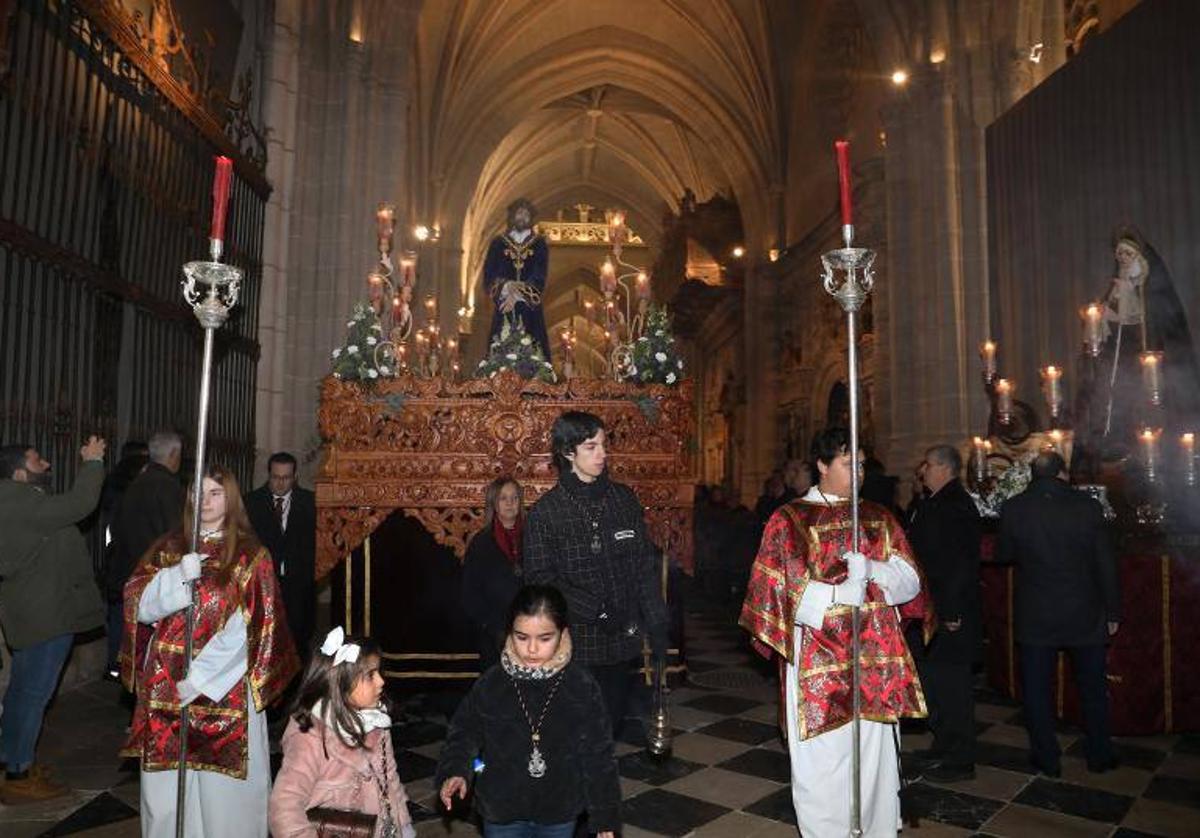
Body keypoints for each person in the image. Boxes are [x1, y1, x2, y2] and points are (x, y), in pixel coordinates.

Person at [740, 427, 933, 837]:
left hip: (874, 658)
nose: (859, 472)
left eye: (862, 464)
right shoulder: (790, 519)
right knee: (824, 763)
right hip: (818, 660)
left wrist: (876, 571)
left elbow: (912, 581)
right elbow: (775, 587)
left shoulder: (879, 517)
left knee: (875, 759)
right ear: (822, 466)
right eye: (849, 463)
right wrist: (835, 594)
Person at [121, 464, 299, 837]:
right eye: (197, 493)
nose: (205, 501)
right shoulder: (170, 548)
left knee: (224, 800)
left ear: (230, 498)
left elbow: (254, 627)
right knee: (170, 794)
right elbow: (140, 606)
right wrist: (175, 577)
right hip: (167, 688)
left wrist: (201, 678)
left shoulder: (251, 556)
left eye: (215, 493)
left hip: (225, 691)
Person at [523, 411, 669, 736]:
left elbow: (642, 565)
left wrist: (657, 619)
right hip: (574, 646)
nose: (602, 454)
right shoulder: (546, 513)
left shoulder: (624, 500)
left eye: (603, 445)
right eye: (591, 447)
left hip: (623, 641)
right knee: (575, 731)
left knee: (609, 726)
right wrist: (596, 611)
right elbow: (540, 580)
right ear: (567, 453)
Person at [436, 585, 621, 838]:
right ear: (509, 633)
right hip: (501, 809)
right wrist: (456, 771)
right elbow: (464, 734)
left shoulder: (580, 686)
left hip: (558, 810)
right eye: (521, 637)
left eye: (545, 638)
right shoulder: (492, 684)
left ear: (563, 633)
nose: (532, 649)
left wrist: (604, 816)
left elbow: (598, 755)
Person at [999, 451, 1120, 776]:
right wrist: (1113, 610)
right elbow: (1105, 563)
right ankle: (1100, 755)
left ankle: (1046, 758)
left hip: (1037, 612)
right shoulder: (1088, 506)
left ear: (1032, 476)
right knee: (1093, 687)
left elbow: (1005, 554)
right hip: (1084, 611)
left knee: (1037, 690)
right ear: (1063, 473)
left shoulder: (1014, 508)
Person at [0, 437, 107, 803]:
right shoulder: (20, 501)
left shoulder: (17, 502)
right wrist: (92, 462)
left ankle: (13, 760)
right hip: (44, 615)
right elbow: (81, 503)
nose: (46, 464)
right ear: (18, 473)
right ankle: (17, 775)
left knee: (22, 692)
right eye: (37, 460)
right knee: (33, 695)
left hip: (33, 610)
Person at [269, 627, 415, 838]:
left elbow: (390, 779)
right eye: (370, 675)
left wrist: (404, 827)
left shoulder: (376, 722)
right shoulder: (310, 734)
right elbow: (285, 805)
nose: (381, 681)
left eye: (379, 673)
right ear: (340, 682)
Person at [907, 445, 982, 782]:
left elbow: (958, 564)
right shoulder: (937, 502)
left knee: (952, 685)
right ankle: (943, 744)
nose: (923, 470)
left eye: (927, 464)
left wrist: (950, 611)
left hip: (949, 611)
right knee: (935, 681)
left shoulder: (954, 506)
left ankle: (960, 757)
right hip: (933, 609)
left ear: (943, 468)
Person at [107, 431, 184, 679]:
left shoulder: (135, 483)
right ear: (174, 455)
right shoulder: (169, 487)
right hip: (156, 580)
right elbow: (176, 536)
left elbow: (116, 529)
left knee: (135, 646)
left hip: (131, 575)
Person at [244, 452, 317, 660]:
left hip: (299, 584)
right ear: (269, 475)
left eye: (286, 478)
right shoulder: (251, 502)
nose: (280, 483)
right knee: (266, 639)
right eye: (276, 477)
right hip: (264, 583)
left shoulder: (310, 503)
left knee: (298, 639)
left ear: (295, 477)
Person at [462, 476, 525, 670]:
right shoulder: (481, 543)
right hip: (494, 634)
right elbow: (469, 593)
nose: (509, 503)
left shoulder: (534, 537)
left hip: (530, 630)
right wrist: (491, 626)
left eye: (514, 498)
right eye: (503, 498)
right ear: (494, 503)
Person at [483, 197, 551, 360]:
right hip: (504, 306)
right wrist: (507, 286)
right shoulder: (498, 244)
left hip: (529, 309)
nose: (522, 217)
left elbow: (539, 275)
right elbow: (489, 275)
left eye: (526, 214)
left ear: (531, 218)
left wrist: (518, 294)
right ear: (512, 216)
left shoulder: (539, 244)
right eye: (519, 213)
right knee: (500, 347)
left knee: (534, 351)